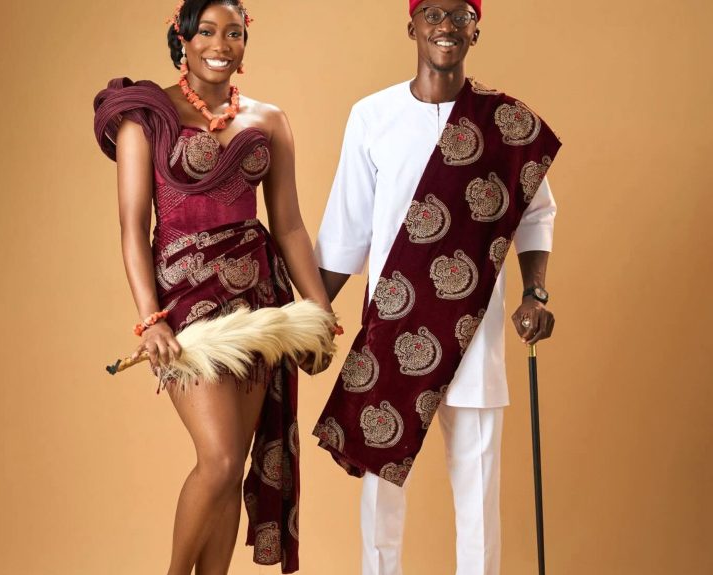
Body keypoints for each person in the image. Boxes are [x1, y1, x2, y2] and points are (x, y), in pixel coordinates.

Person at [311, 1, 562, 574]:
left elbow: (537, 214)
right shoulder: (372, 116)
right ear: (412, 27)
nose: (445, 25)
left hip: (475, 330)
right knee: (380, 495)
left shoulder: (507, 124)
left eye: (459, 14)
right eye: (432, 13)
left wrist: (535, 293)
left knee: (478, 494)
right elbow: (346, 232)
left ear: (476, 29)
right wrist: (310, 321)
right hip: (393, 330)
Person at [93, 1, 333, 573]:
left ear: (245, 41)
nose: (220, 44)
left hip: (255, 303)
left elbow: (289, 225)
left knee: (234, 464)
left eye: (233, 33)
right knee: (220, 458)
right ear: (182, 37)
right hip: (183, 299)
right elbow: (133, 229)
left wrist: (318, 310)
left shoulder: (269, 120)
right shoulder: (146, 118)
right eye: (206, 31)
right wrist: (151, 319)